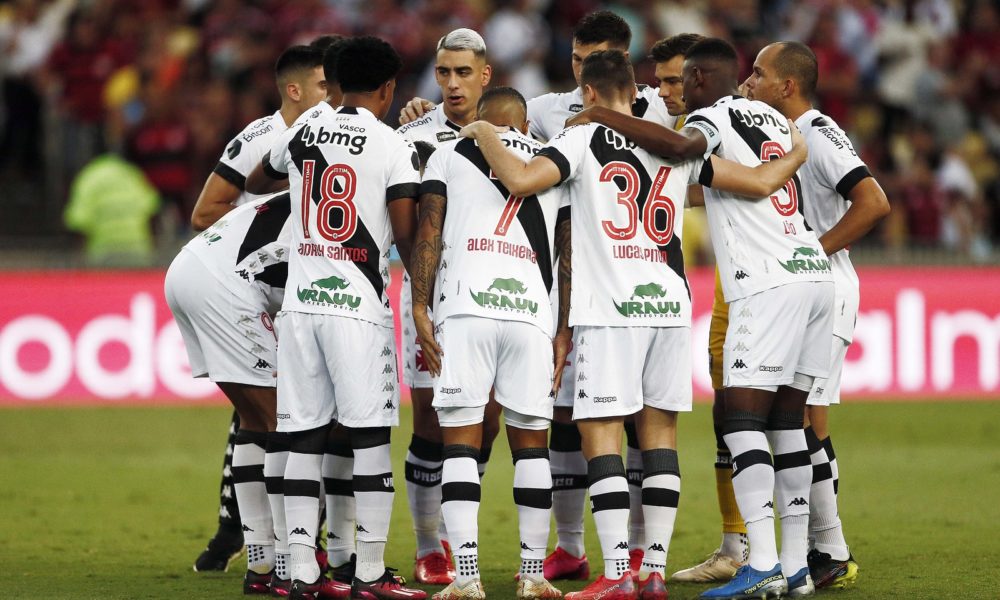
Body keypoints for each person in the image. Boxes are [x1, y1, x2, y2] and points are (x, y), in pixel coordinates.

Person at [463, 48, 807, 600]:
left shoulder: (581, 137)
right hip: (670, 307)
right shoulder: (669, 142)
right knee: (659, 437)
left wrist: (482, 132)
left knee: (601, 435)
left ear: (592, 94)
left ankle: (618, 572)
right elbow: (761, 182)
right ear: (633, 88)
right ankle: (652, 572)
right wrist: (798, 153)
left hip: (610, 309)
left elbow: (523, 181)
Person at [567, 37, 835, 599]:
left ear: (698, 79)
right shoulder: (775, 120)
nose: (673, 92)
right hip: (815, 272)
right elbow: (744, 183)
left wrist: (596, 116)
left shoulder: (711, 116)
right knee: (788, 424)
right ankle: (795, 567)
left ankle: (759, 563)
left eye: (680, 81)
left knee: (739, 421)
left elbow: (684, 147)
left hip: (766, 282)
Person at [246, 35, 426, 600]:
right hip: (356, 309)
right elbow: (403, 232)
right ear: (390, 88)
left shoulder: (304, 130)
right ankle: (369, 575)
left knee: (301, 434)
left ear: (338, 81)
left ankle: (300, 572)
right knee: (370, 437)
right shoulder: (393, 144)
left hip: (301, 306)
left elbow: (257, 178)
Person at [742, 41, 890, 590]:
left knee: (804, 421)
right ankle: (821, 547)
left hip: (826, 284)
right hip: (803, 288)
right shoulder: (778, 133)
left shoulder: (818, 132)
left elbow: (874, 202)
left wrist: (815, 250)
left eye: (759, 73)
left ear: (787, 86)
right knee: (799, 420)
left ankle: (829, 547)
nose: (749, 80)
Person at [410, 86, 564, 600]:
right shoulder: (551, 162)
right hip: (531, 315)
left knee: (460, 442)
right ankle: (533, 574)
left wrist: (418, 305)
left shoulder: (448, 152)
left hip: (466, 309)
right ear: (524, 126)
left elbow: (428, 230)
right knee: (531, 447)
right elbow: (567, 251)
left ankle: (467, 577)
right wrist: (561, 328)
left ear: (480, 120)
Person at [187, 43, 330, 576]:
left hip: (289, 289)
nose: (330, 95)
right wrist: (263, 236)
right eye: (321, 86)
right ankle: (270, 544)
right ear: (294, 90)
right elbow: (206, 211)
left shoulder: (330, 134)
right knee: (277, 418)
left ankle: (257, 539)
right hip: (256, 287)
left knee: (265, 417)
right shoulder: (263, 139)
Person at [393, 28, 497, 586]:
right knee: (431, 418)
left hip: (499, 298)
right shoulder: (412, 135)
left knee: (489, 422)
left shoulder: (511, 129)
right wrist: (423, 294)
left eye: (462, 72)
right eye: (443, 73)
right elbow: (402, 221)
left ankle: (461, 542)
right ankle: (431, 545)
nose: (451, 83)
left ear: (485, 74)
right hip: (431, 295)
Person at [165, 191, 293, 595]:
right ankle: (290, 560)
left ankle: (262, 559)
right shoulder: (365, 197)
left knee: (257, 420)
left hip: (192, 266)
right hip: (225, 283)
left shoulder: (315, 173)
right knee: (282, 422)